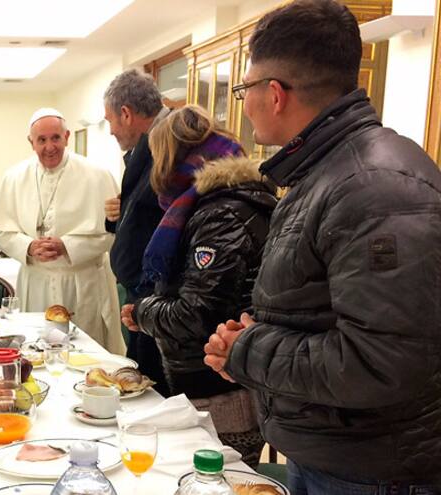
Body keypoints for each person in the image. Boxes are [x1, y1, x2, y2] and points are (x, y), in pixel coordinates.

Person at [202, 0, 441, 491]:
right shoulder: (326, 173)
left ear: (274, 94)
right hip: (334, 450)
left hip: (370, 470)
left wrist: (247, 350)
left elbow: (379, 362)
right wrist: (255, 337)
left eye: (244, 88)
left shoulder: (373, 186)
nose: (243, 103)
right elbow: (322, 311)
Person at [121, 105, 274, 466]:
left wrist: (143, 312)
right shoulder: (223, 203)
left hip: (221, 388)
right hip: (220, 378)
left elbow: (197, 314)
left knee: (216, 480)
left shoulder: (219, 214)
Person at [0, 108, 125, 354]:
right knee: (37, 352)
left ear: (67, 137)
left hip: (81, 282)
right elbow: (4, 234)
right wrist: (29, 246)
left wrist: (68, 246)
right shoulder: (13, 177)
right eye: (41, 140)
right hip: (36, 281)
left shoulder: (97, 175)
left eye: (55, 138)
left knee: (84, 353)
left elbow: (112, 234)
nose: (49, 146)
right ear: (31, 142)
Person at [103, 69, 171, 396]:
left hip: (161, 301)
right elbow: (147, 213)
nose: (111, 130)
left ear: (126, 114)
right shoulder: (148, 148)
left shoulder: (171, 146)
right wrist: (120, 215)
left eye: (110, 121)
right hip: (145, 300)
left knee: (156, 400)